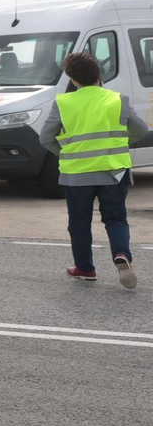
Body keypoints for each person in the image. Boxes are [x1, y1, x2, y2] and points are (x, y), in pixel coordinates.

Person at [40, 52, 147, 287]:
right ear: (99, 74)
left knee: (79, 222)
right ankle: (121, 255)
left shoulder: (63, 103)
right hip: (113, 172)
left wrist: (66, 153)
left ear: (73, 79)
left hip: (76, 175)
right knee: (116, 219)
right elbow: (140, 130)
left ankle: (85, 268)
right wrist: (117, 143)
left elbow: (46, 138)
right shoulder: (118, 99)